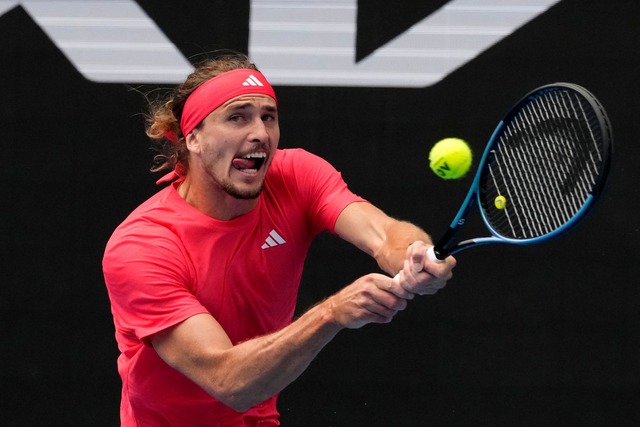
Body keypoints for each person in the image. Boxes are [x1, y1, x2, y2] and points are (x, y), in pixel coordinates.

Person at [102, 52, 456, 426]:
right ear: (193, 137)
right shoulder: (142, 246)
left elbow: (384, 234)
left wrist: (414, 256)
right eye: (237, 116)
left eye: (268, 117)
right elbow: (228, 381)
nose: (259, 133)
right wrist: (330, 313)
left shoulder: (296, 176)